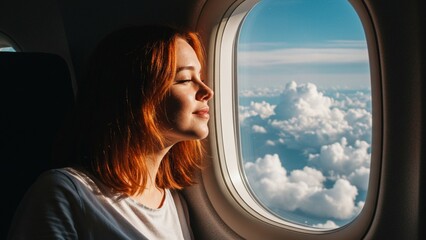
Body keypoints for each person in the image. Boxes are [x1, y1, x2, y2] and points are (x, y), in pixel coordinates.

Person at [7, 24, 214, 240]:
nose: (207, 91)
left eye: (199, 76)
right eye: (185, 80)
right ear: (137, 95)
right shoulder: (64, 194)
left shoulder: (173, 202)